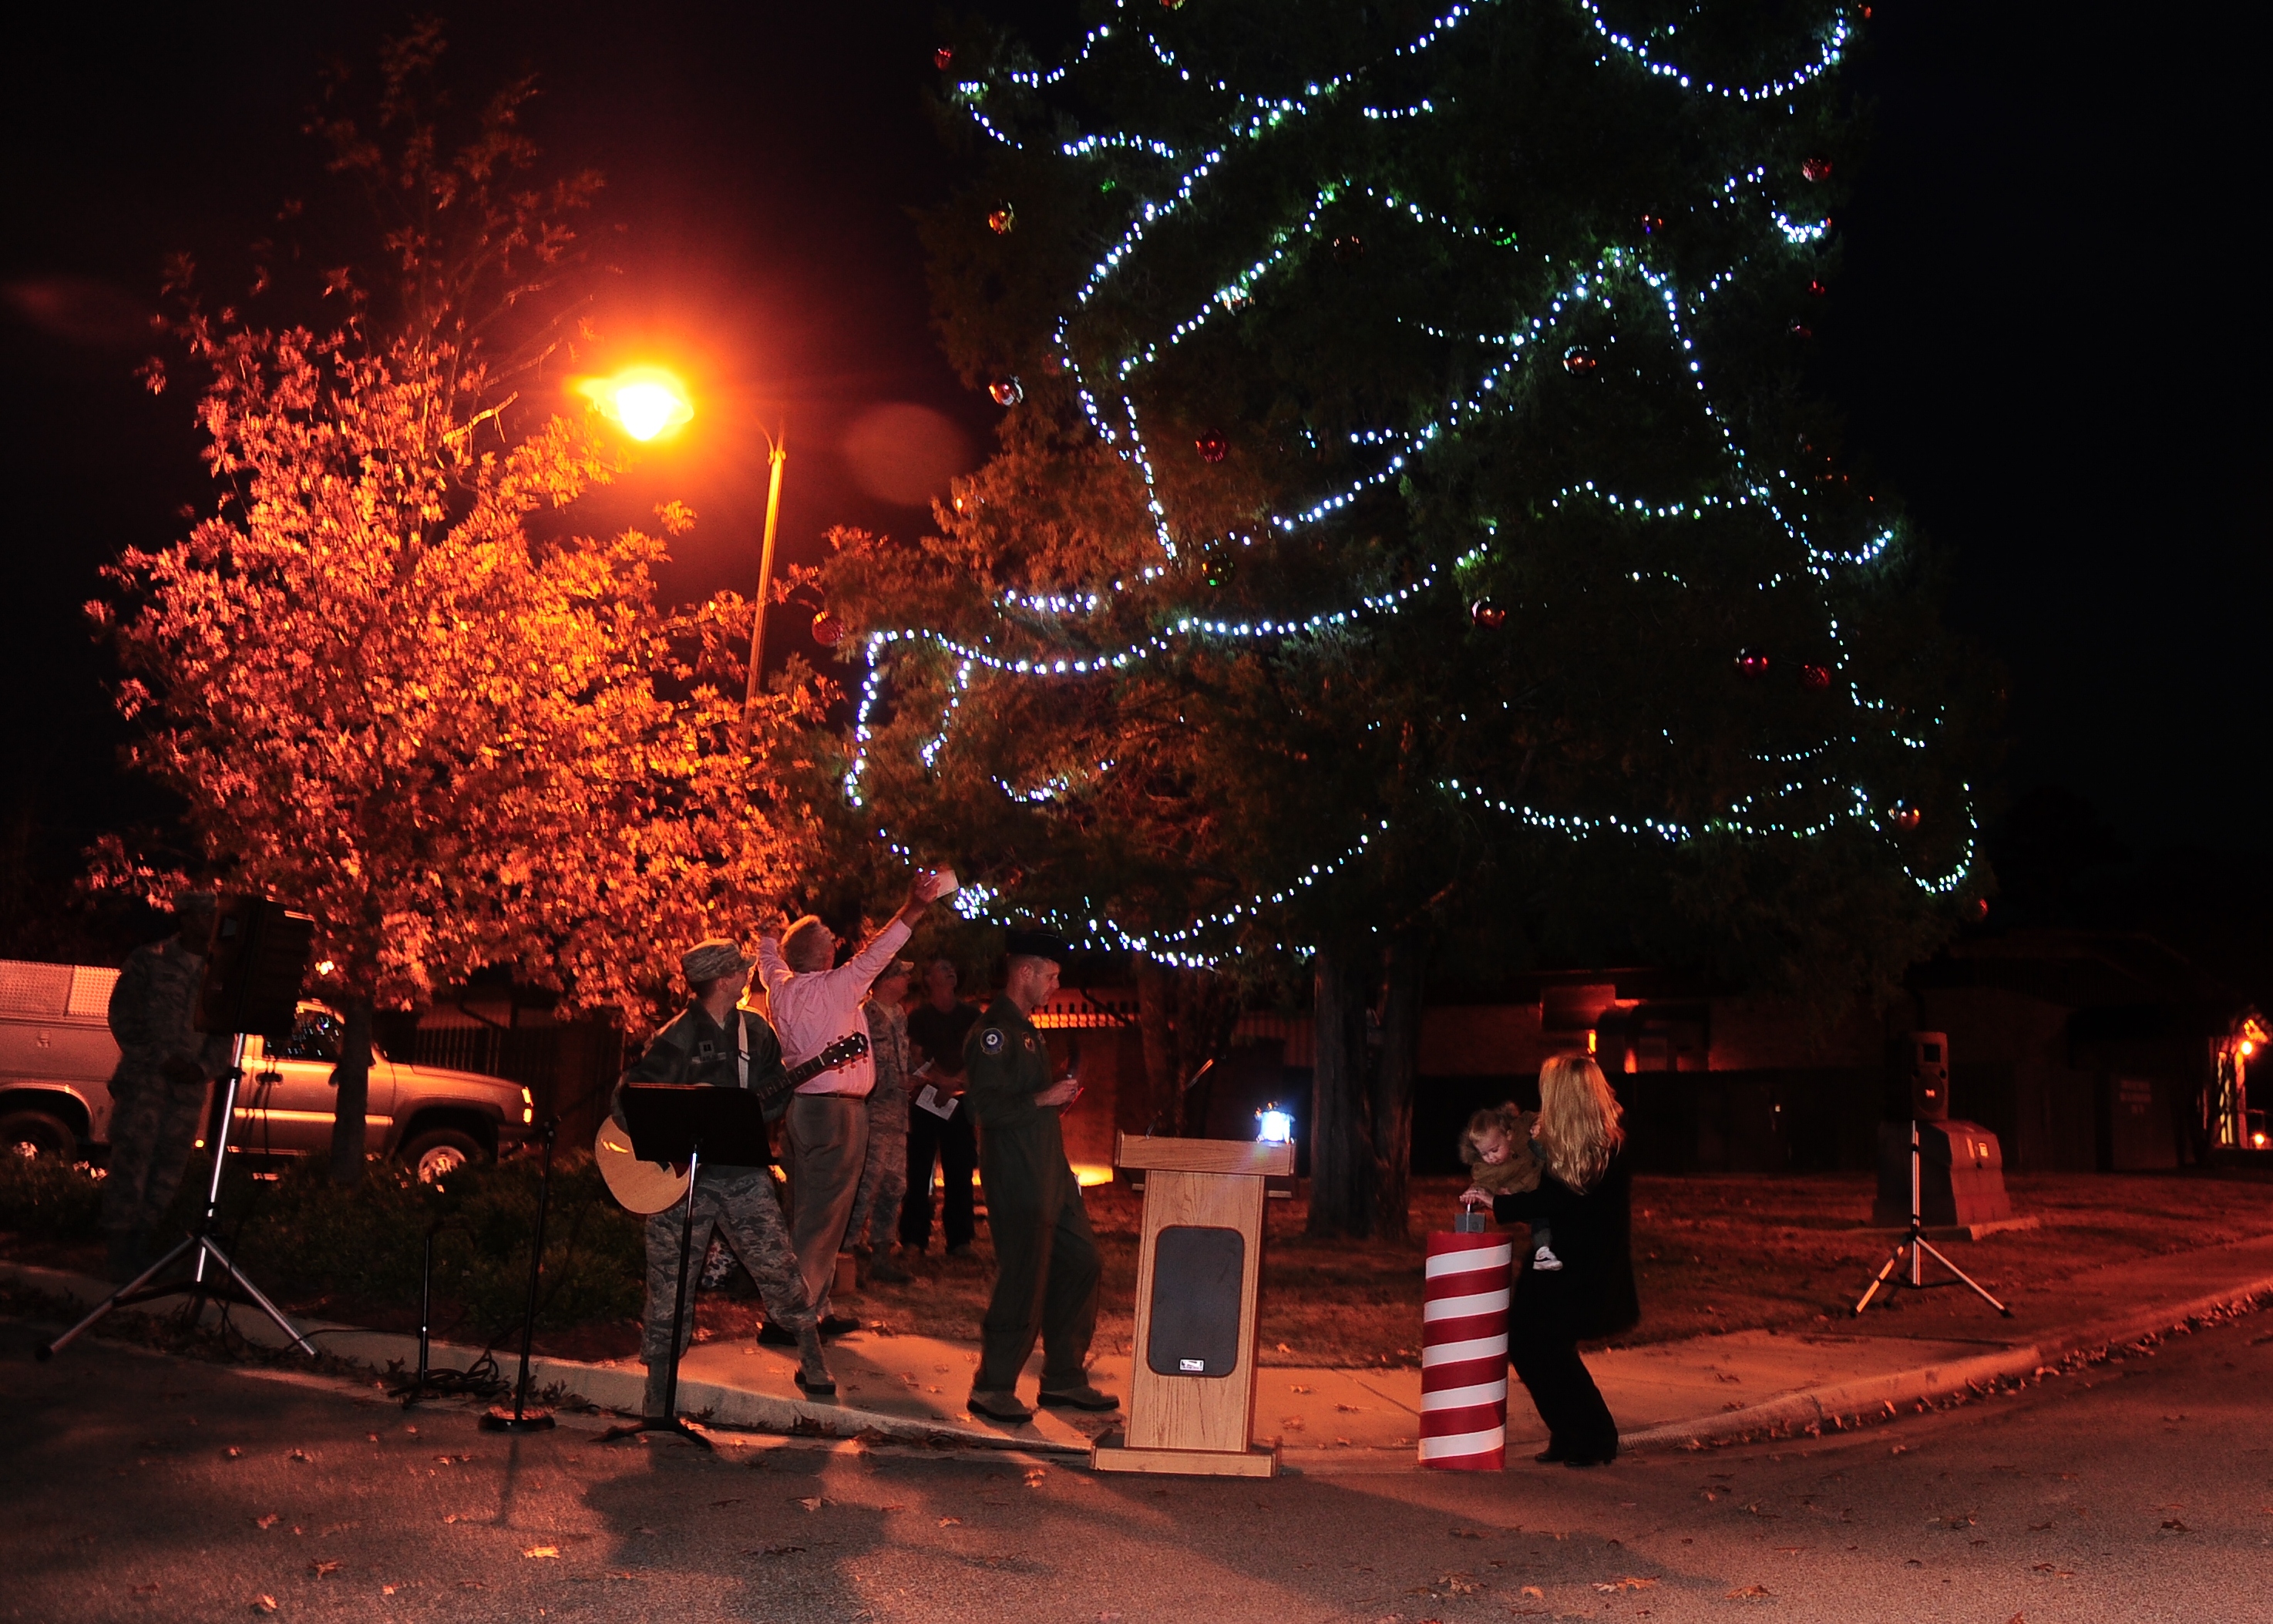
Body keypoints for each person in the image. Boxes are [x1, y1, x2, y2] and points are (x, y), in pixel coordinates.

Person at [614, 938, 832, 1404]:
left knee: (779, 1268)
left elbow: (773, 1097)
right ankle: (657, 1390)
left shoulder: (755, 1032)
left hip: (741, 1174)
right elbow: (628, 1101)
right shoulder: (675, 1037)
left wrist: (762, 1104)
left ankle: (812, 1360)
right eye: (740, 971)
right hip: (680, 1182)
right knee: (669, 1281)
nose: (747, 976)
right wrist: (665, 1149)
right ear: (724, 980)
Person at [758, 872, 944, 1337]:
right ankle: (789, 1317)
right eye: (830, 942)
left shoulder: (778, 985)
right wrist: (914, 907)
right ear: (820, 955)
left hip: (802, 1108)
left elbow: (766, 960)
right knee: (823, 1219)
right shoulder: (836, 987)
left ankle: (814, 1311)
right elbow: (879, 951)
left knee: (812, 1211)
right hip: (837, 1112)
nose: (837, 945)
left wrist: (766, 936)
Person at [963, 929, 1115, 1421]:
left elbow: (1027, 1106)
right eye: (1050, 975)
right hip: (1017, 1175)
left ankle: (1064, 1378)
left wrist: (1055, 1097)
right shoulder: (994, 1032)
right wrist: (1042, 1098)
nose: (1055, 985)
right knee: (1025, 1276)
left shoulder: (1029, 1030)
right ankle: (994, 1385)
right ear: (1024, 972)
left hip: (1051, 1170)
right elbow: (983, 1108)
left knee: (1082, 1261)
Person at [1464, 1053, 1638, 1468]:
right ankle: (1569, 1431)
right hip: (1555, 1265)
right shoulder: (1560, 1140)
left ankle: (1596, 1435)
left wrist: (1501, 1204)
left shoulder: (1606, 1147)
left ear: (1566, 1097)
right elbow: (1534, 1178)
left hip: (1582, 1269)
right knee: (1530, 1346)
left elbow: (1564, 1201)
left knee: (1548, 1349)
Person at [99, 892, 231, 1281]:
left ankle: (143, 1245)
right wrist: (160, 1059)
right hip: (146, 1083)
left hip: (187, 1090)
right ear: (187, 917)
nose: (212, 923)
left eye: (216, 916)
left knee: (169, 1167)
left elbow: (223, 1033)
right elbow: (123, 1015)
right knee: (133, 1162)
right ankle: (118, 1250)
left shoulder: (218, 972)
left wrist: (204, 1068)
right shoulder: (149, 960)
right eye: (207, 915)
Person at [900, 957, 981, 1257]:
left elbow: (978, 1057)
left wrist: (956, 1083)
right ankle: (913, 1238)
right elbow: (916, 1056)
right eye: (941, 968)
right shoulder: (920, 1017)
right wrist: (939, 1082)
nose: (950, 971)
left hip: (959, 1103)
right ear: (928, 979)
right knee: (919, 1171)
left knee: (960, 1172)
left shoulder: (972, 1016)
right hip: (926, 1102)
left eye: (951, 967)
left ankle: (960, 1239)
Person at [844, 958, 915, 1282]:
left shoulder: (900, 1016)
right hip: (872, 1115)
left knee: (894, 1186)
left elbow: (904, 1060)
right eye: (903, 974)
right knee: (865, 1186)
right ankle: (848, 1258)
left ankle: (882, 1254)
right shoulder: (865, 1016)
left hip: (897, 1116)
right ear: (886, 978)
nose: (908, 979)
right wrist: (889, 1082)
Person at [1458, 1103, 1558, 1270]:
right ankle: (1543, 1251)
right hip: (1527, 1196)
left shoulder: (1521, 1129)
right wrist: (1474, 1196)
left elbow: (1532, 1117)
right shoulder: (1486, 1169)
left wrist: (1537, 1124)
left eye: (1494, 1150)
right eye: (1484, 1154)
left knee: (1538, 1144)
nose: (1491, 1158)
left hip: (1546, 1178)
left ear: (1509, 1135)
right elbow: (1483, 1185)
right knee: (1540, 1221)